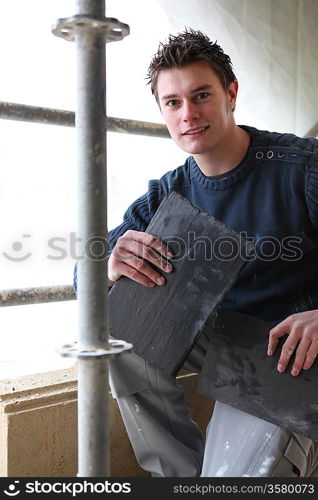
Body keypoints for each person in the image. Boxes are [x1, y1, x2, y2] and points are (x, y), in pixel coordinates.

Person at [78, 29, 318, 476]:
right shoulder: (170, 192)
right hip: (219, 342)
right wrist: (107, 264)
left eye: (201, 95)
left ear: (230, 93)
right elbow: (84, 276)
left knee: (239, 476)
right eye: (173, 102)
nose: (188, 114)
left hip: (287, 354)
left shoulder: (302, 168)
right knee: (114, 310)